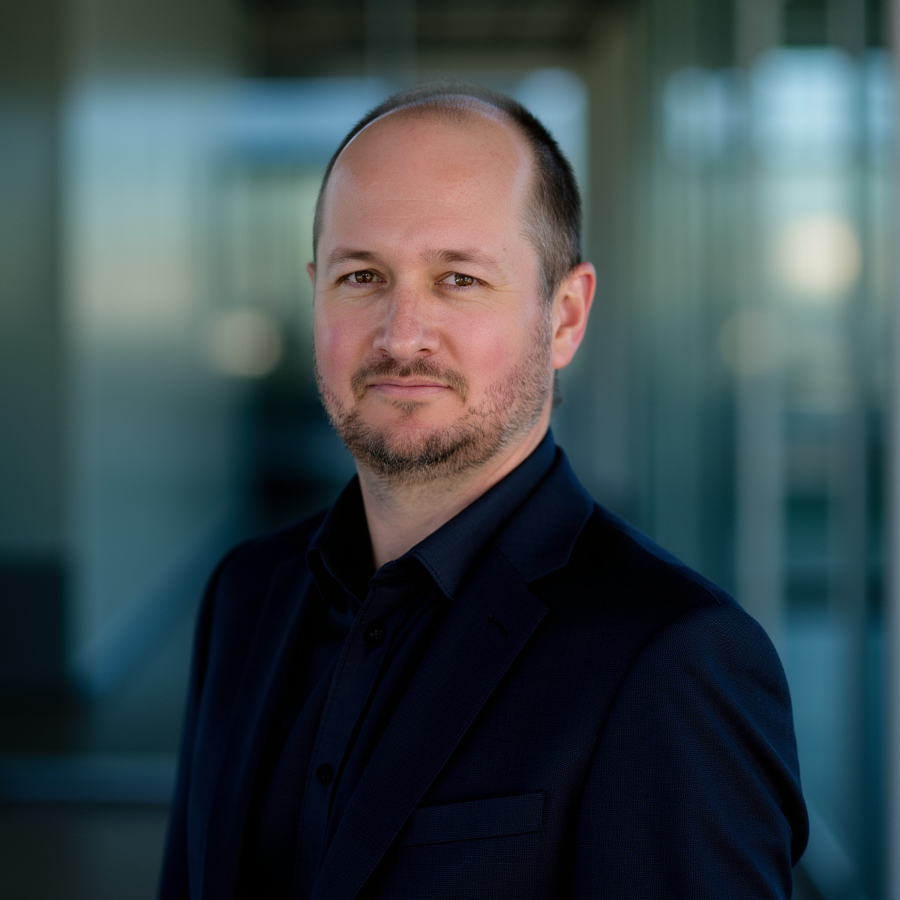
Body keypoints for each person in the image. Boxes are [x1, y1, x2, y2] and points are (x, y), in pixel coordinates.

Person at [159, 83, 808, 900]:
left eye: (458, 280)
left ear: (565, 316)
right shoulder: (244, 597)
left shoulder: (673, 660)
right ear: (316, 289)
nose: (401, 334)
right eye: (362, 276)